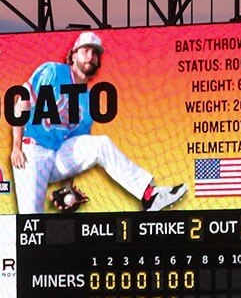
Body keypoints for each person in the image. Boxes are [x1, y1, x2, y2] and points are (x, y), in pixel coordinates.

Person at [10, 31, 187, 214]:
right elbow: (22, 103)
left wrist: (67, 187)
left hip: (57, 155)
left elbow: (76, 146)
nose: (91, 56)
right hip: (32, 152)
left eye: (95, 53)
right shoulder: (52, 72)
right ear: (73, 54)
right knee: (31, 219)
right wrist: (16, 146)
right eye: (86, 50)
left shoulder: (87, 100)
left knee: (101, 144)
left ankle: (149, 195)